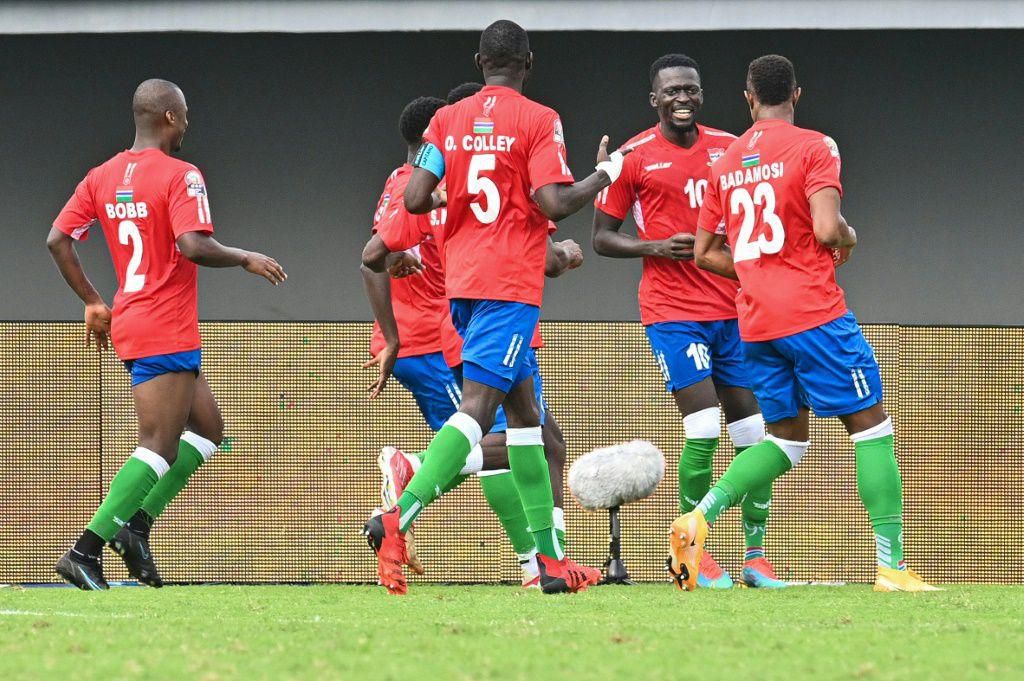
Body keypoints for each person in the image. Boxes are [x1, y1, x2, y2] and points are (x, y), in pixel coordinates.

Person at [362, 19, 627, 595]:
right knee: (481, 412)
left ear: (478, 61)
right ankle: (398, 515)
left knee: (530, 426)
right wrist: (606, 173)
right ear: (527, 62)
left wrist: (448, 192)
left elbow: (413, 198)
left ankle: (549, 564)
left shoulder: (445, 121)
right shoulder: (539, 119)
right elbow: (553, 199)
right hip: (509, 284)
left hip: (461, 287)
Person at [672, 55, 937, 592]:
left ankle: (697, 518)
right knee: (873, 428)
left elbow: (704, 253)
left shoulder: (723, 163)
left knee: (787, 440)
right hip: (815, 314)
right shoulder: (816, 146)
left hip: (757, 322)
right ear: (796, 95)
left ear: (749, 98)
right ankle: (891, 565)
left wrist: (757, 272)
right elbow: (826, 228)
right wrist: (850, 238)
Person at [47, 78, 286, 590]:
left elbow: (58, 239)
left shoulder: (101, 176)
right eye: (187, 116)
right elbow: (192, 245)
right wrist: (245, 256)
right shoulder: (182, 174)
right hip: (162, 322)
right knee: (159, 444)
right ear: (171, 118)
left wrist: (93, 299)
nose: (189, 125)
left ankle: (137, 526)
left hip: (138, 317)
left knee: (209, 432)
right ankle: (85, 550)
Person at [593, 54, 785, 589]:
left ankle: (755, 554)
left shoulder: (730, 147)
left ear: (701, 95)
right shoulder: (633, 156)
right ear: (654, 98)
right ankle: (690, 551)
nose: (683, 98)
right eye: (672, 91)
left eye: (692, 90)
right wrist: (655, 245)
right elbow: (601, 238)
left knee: (753, 432)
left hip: (733, 310)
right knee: (702, 426)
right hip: (673, 312)